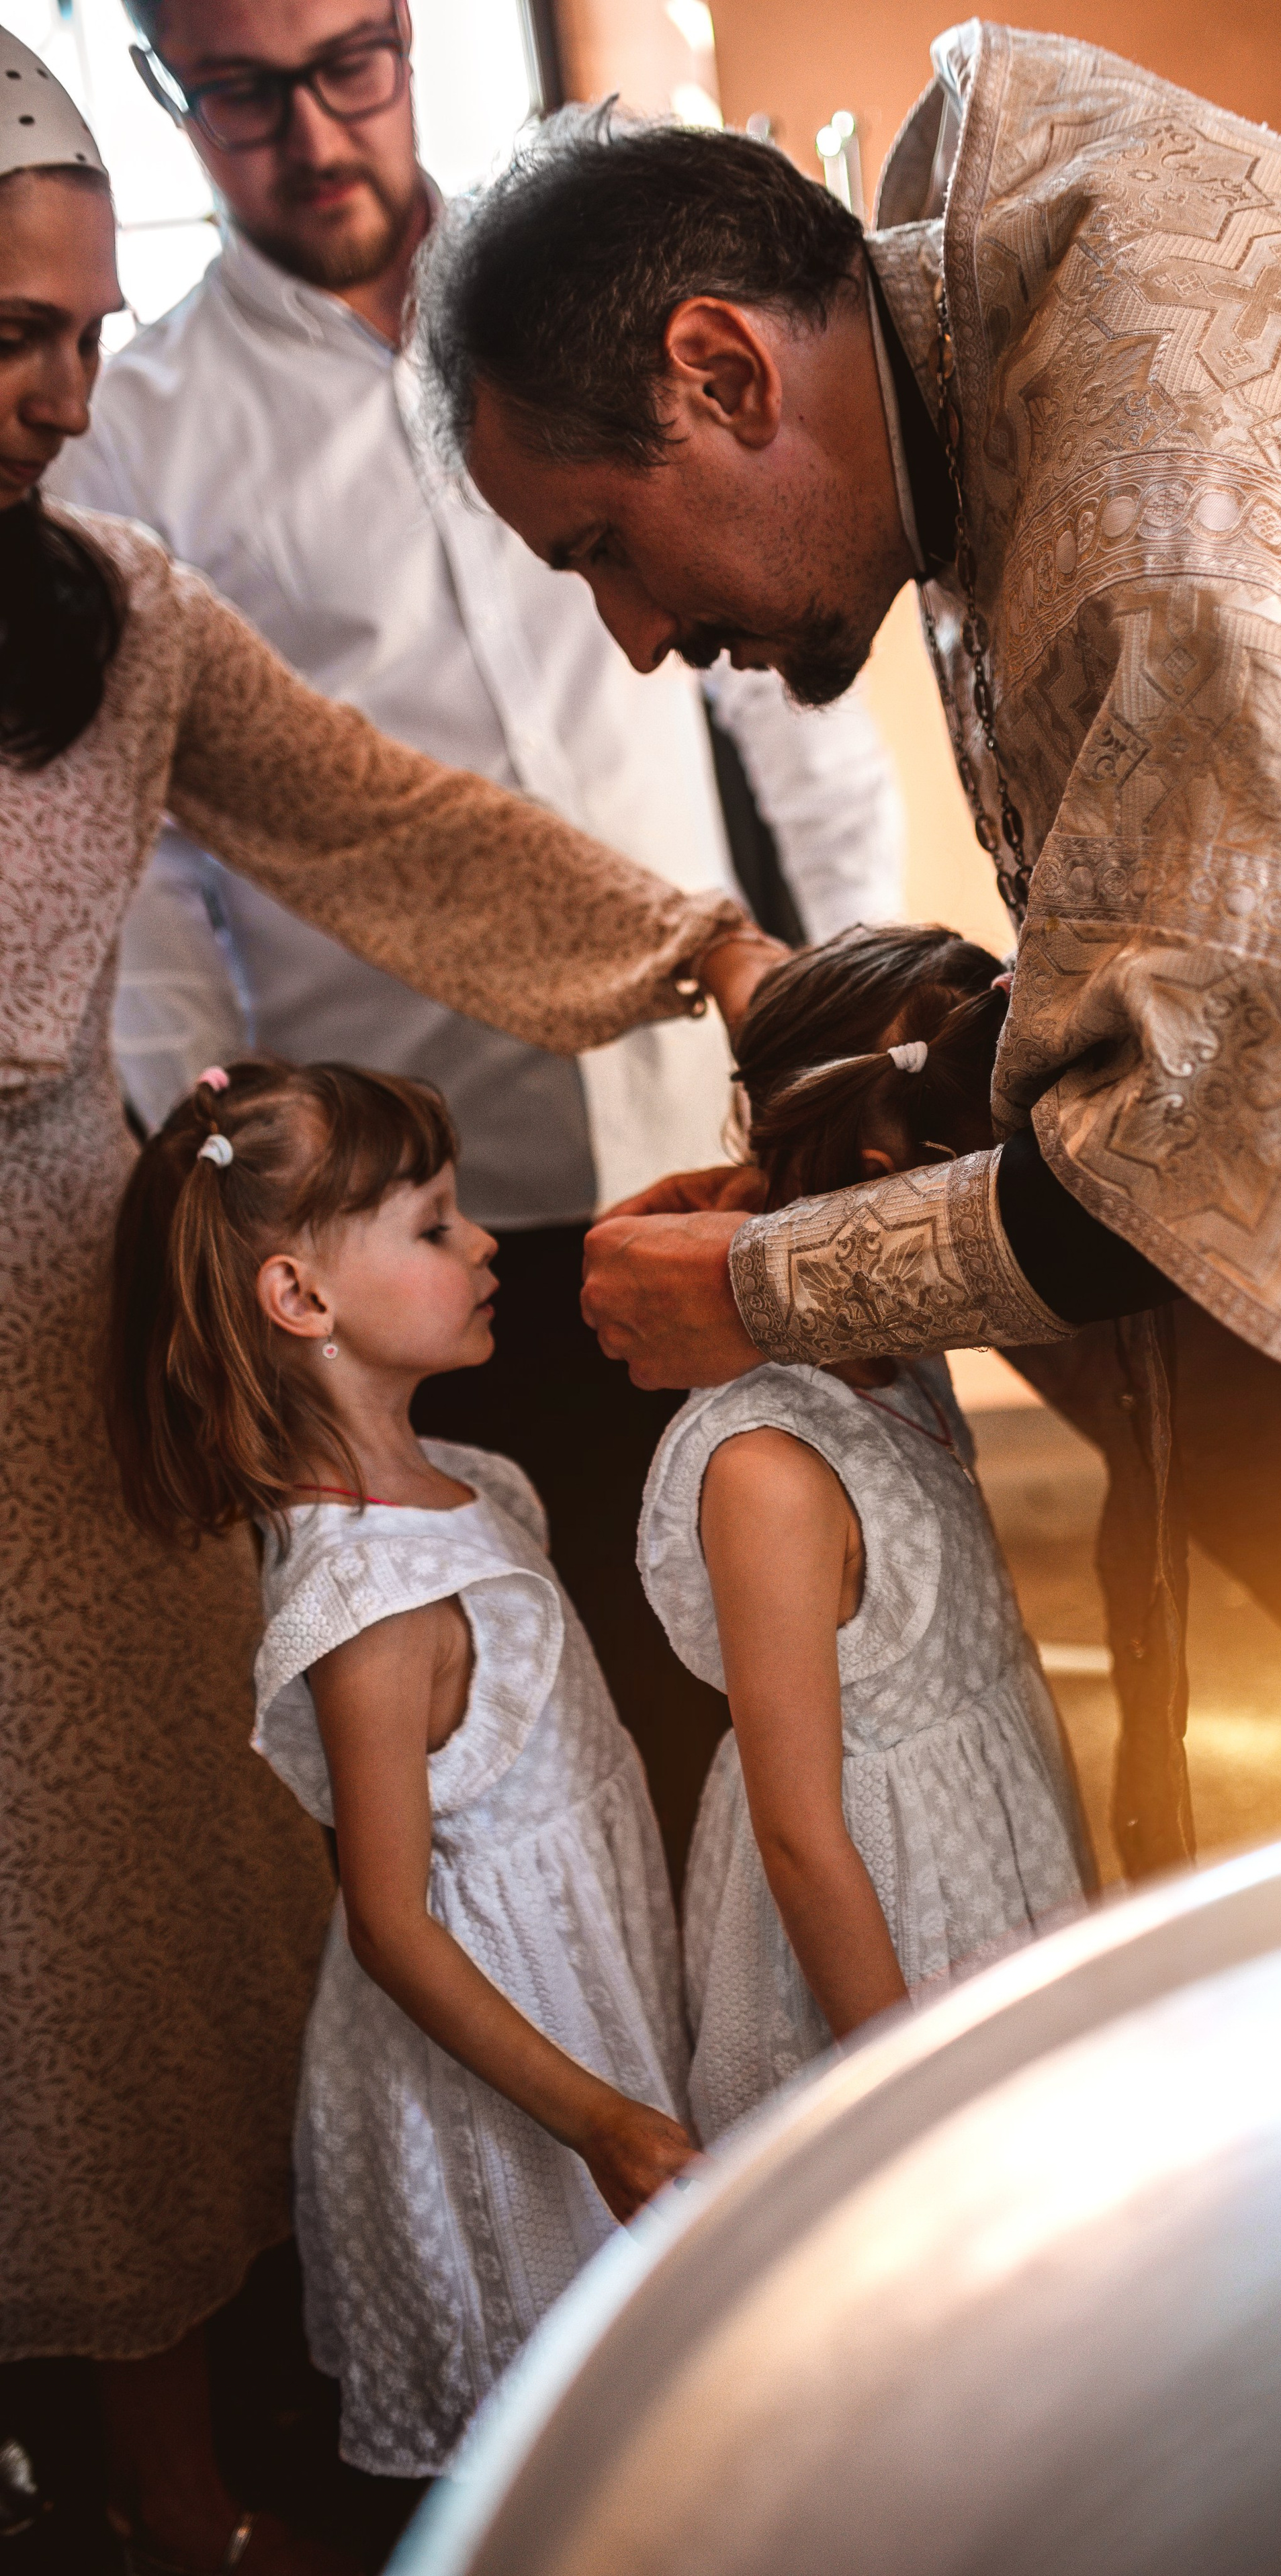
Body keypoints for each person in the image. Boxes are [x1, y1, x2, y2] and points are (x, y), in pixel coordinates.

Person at [410, 30, 1281, 1787]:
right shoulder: (1007, 296)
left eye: (602, 546)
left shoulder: (1157, 500)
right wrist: (863, 1153)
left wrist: (767, 1288)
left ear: (721, 372)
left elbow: (1206, 1145)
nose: (636, 638)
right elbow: (1190, 950)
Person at [0, 40, 764, 2570]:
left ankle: (228, 2434)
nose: (58, 397)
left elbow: (384, 821)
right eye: (6, 336)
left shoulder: (114, 614)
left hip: (74, 1326)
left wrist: (707, 950)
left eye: (78, 332)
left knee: (169, 1898)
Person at [48, 0, 903, 1882]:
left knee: (804, 1646)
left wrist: (827, 995)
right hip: (424, 1208)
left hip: (699, 1116)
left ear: (406, 34)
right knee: (549, 1706)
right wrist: (245, 1182)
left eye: (348, 62)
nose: (311, 132)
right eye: (243, 92)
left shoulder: (577, 316)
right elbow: (169, 875)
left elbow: (777, 682)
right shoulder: (137, 429)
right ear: (168, 89)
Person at [107, 1059, 695, 2477]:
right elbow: (388, 1920)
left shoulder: (476, 1482)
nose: (486, 1242)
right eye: (433, 1225)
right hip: (512, 2064)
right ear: (301, 1298)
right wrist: (598, 2120)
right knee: (562, 2434)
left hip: (584, 1972)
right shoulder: (372, 1601)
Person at [639, 928, 1089, 2143]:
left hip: (986, 1849)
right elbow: (798, 1833)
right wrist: (901, 2094)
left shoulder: (900, 1361)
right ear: (895, 1173)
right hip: (886, 1933)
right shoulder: (771, 1470)